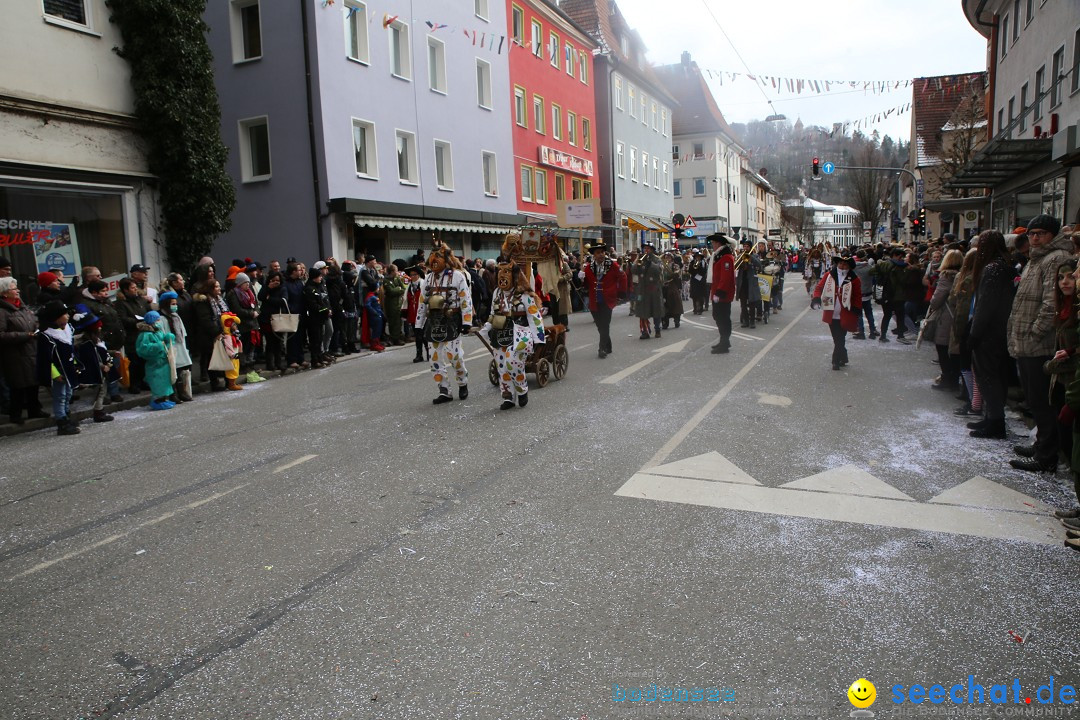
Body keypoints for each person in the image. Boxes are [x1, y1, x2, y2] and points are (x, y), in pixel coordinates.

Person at [1006, 214, 1072, 471]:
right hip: (1027, 340)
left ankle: (1046, 455)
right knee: (1035, 399)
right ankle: (1041, 445)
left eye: (1040, 234)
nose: (1034, 238)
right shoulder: (1037, 258)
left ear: (1052, 235)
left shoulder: (1055, 259)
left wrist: (1035, 331)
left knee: (1043, 402)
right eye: (1032, 234)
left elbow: (1050, 302)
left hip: (1039, 343)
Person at [967, 231, 1015, 440]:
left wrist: (974, 334)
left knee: (988, 377)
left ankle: (995, 421)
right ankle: (992, 417)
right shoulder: (1005, 265)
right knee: (993, 377)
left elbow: (984, 306)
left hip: (989, 332)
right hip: (1000, 329)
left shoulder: (992, 268)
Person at [415, 242, 474, 404]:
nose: (434, 261)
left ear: (446, 259)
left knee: (454, 356)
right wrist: (418, 325)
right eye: (432, 258)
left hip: (451, 319)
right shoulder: (428, 278)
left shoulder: (457, 276)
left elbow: (465, 299)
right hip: (433, 321)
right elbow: (422, 303)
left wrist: (467, 321)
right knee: (434, 358)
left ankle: (462, 382)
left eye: (438, 257)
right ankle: (444, 390)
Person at [482, 261, 545, 409]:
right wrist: (483, 330)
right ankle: (508, 397)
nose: (502, 276)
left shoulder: (524, 295)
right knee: (502, 366)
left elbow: (534, 317)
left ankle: (522, 390)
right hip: (500, 333)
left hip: (521, 334)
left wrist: (539, 339)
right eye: (500, 272)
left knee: (513, 362)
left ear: (515, 275)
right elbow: (493, 314)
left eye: (506, 272)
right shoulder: (497, 293)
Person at [0, 276, 47, 425]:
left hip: (32, 349)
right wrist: (24, 335)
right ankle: (16, 414)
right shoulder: (2, 311)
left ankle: (34, 409)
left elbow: (33, 320)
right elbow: (1, 335)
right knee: (18, 385)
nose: (18, 290)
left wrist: (36, 328)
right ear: (4, 293)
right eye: (14, 288)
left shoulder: (22, 306)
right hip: (15, 354)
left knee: (33, 382)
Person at [36, 300, 81, 434]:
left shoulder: (68, 330)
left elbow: (70, 350)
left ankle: (67, 416)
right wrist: (55, 374)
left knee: (68, 393)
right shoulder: (47, 335)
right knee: (60, 396)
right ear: (56, 317)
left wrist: (75, 364)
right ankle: (61, 422)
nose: (68, 316)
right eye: (64, 314)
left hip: (68, 367)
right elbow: (45, 358)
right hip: (59, 371)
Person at [811, 255, 862, 371]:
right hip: (832, 312)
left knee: (840, 338)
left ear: (849, 266)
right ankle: (843, 356)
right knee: (837, 338)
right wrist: (816, 298)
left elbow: (857, 296)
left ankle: (835, 361)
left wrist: (857, 309)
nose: (842, 266)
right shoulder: (829, 275)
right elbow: (819, 288)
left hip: (846, 313)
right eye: (840, 263)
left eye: (845, 264)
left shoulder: (854, 279)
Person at [581, 241, 625, 359]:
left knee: (605, 324)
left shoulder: (612, 265)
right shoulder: (589, 268)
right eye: (598, 253)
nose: (601, 255)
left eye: (602, 252)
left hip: (608, 299)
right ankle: (608, 345)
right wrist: (580, 278)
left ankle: (602, 348)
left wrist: (621, 293)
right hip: (594, 301)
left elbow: (623, 277)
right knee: (600, 326)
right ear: (594, 255)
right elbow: (585, 285)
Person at [71, 304, 115, 423]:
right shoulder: (86, 343)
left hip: (100, 369)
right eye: (98, 327)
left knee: (102, 391)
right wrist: (102, 366)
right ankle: (98, 412)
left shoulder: (95, 340)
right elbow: (91, 359)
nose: (100, 328)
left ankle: (99, 410)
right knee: (100, 391)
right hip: (96, 370)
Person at [928, 249, 963, 390]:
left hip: (947, 316)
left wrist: (932, 304)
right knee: (955, 350)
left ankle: (947, 379)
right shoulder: (964, 275)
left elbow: (937, 299)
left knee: (942, 347)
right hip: (960, 315)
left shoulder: (946, 276)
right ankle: (954, 378)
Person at [114, 277, 151, 394]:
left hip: (145, 333)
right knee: (134, 361)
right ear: (125, 290)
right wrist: (137, 322)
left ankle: (142, 381)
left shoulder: (140, 300)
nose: (135, 290)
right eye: (132, 288)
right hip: (132, 335)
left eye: (136, 287)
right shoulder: (121, 303)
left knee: (144, 360)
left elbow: (148, 310)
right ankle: (134, 384)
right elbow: (122, 319)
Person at [135, 310, 177, 411]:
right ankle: (158, 401)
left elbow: (163, 341)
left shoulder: (157, 330)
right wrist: (159, 346)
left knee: (164, 382)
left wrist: (168, 338)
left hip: (162, 362)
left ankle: (163, 400)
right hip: (155, 363)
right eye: (157, 319)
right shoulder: (145, 334)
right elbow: (143, 349)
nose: (159, 321)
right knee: (158, 383)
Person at [193, 278, 230, 390]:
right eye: (216, 287)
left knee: (225, 356)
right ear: (210, 289)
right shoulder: (203, 302)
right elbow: (205, 320)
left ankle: (227, 381)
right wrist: (216, 332)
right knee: (212, 359)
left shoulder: (219, 300)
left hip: (223, 332)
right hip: (209, 336)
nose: (219, 289)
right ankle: (214, 383)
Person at [159, 290, 194, 401]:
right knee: (172, 372)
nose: (175, 306)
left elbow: (183, 333)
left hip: (179, 347)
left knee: (181, 371)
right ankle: (173, 394)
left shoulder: (176, 317)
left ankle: (182, 392)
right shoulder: (162, 319)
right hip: (170, 348)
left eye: (175, 303)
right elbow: (162, 334)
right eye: (172, 304)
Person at [708, 233, 736, 354]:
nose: (712, 245)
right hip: (718, 292)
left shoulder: (726, 258)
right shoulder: (719, 256)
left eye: (713, 243)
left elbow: (725, 278)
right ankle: (724, 340)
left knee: (723, 318)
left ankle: (724, 343)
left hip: (723, 294)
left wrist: (719, 292)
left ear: (719, 244)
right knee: (718, 316)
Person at [303, 266, 333, 367]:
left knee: (319, 338)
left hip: (320, 318)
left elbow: (323, 300)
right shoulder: (309, 289)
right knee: (315, 340)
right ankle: (315, 360)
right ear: (314, 277)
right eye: (319, 276)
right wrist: (325, 310)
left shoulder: (318, 287)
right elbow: (313, 305)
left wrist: (327, 309)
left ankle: (320, 358)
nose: (321, 278)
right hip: (313, 318)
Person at [635, 242, 664, 339]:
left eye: (648, 248)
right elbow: (633, 271)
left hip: (654, 288)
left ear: (652, 250)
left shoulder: (657, 259)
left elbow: (659, 271)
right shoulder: (641, 259)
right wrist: (636, 261)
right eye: (645, 248)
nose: (646, 250)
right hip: (643, 289)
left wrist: (650, 263)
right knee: (642, 310)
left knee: (656, 310)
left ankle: (657, 330)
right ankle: (645, 331)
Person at [735, 239, 762, 329]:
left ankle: (752, 321)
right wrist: (741, 259)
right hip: (742, 283)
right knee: (743, 304)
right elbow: (735, 266)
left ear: (750, 247)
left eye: (747, 247)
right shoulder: (740, 256)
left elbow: (759, 265)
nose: (745, 248)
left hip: (751, 282)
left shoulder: (755, 256)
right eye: (744, 246)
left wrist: (751, 258)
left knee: (752, 303)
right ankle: (745, 321)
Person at [851, 251, 877, 339]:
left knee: (859, 314)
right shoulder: (870, 267)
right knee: (869, 313)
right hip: (868, 292)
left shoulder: (854, 268)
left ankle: (861, 332)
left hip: (858, 293)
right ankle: (872, 330)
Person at [404, 266, 428, 363]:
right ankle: (419, 354)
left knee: (424, 334)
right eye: (411, 275)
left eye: (414, 275)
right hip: (413, 313)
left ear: (418, 275)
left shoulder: (423, 284)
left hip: (423, 313)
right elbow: (406, 300)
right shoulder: (409, 287)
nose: (412, 277)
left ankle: (429, 352)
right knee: (417, 335)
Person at [383, 264, 407, 346]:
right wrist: (398, 289)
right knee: (392, 321)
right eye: (396, 271)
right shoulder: (386, 280)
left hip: (399, 303)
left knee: (398, 322)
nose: (397, 272)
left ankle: (397, 338)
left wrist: (398, 290)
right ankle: (393, 338)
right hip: (391, 304)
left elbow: (403, 288)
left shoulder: (397, 279)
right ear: (392, 271)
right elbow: (391, 291)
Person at [660, 252, 685, 330]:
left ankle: (676, 320)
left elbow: (677, 274)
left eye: (668, 257)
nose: (667, 259)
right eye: (666, 257)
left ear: (671, 258)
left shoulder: (675, 265)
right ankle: (664, 322)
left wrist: (672, 273)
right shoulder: (661, 266)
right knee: (663, 305)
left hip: (672, 286)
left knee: (675, 303)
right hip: (663, 286)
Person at [688, 249, 709, 315]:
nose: (698, 258)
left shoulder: (704, 263)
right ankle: (695, 308)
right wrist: (695, 272)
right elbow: (690, 271)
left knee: (701, 296)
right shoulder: (692, 262)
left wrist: (699, 267)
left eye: (699, 257)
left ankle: (700, 308)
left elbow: (704, 271)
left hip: (701, 281)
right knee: (694, 296)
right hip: (694, 280)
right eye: (697, 257)